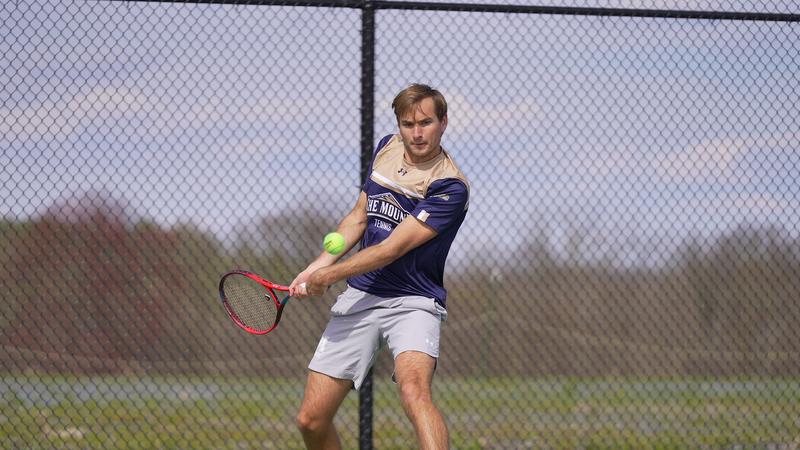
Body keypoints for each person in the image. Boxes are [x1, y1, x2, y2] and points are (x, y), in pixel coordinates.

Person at [289, 83, 470, 450]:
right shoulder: (386, 147)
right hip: (362, 294)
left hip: (415, 301)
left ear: (443, 123)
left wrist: (329, 276)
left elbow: (391, 249)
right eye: (408, 123)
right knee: (310, 420)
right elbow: (358, 217)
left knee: (414, 391)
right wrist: (315, 267)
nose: (416, 133)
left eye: (425, 123)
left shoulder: (450, 186)